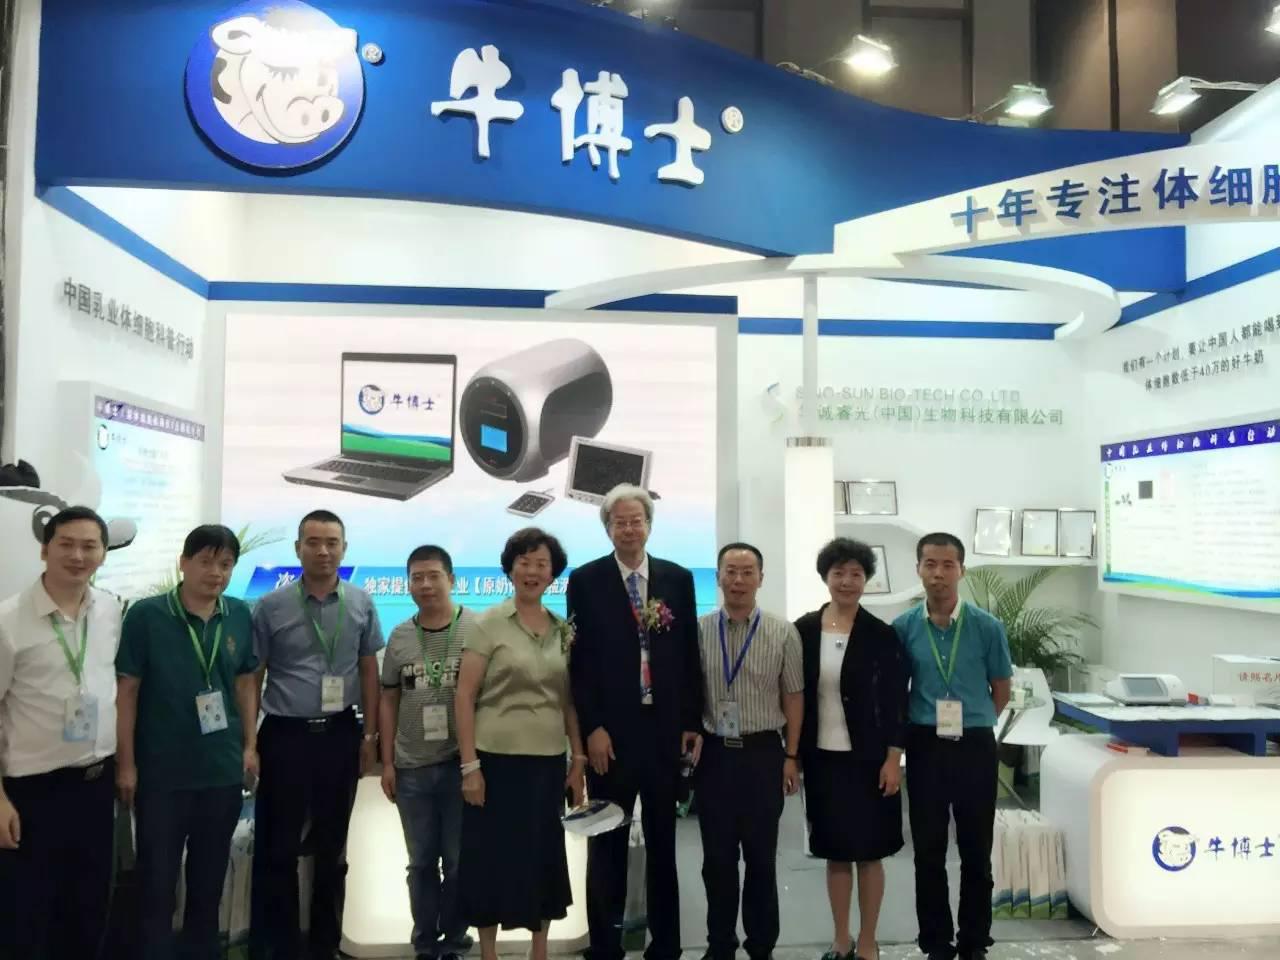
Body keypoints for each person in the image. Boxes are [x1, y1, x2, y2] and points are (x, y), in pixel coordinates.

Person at [566, 484, 702, 960]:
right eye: (619, 522)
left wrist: (691, 720)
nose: (628, 529)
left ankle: (666, 946)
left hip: (663, 732)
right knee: (607, 842)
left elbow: (688, 654)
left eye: (636, 520)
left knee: (664, 843)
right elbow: (580, 663)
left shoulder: (677, 579)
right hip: (612, 736)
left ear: (649, 525)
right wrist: (593, 728)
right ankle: (605, 946)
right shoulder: (586, 580)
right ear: (608, 528)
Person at [116, 524, 260, 960]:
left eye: (226, 564)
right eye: (206, 562)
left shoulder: (239, 614)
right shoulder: (146, 615)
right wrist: (126, 764)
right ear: (183, 563)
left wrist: (250, 745)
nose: (216, 573)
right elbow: (127, 691)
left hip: (221, 771)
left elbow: (245, 684)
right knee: (157, 884)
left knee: (208, 883)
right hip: (162, 775)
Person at [250, 509, 385, 960]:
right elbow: (254, 674)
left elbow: (369, 670)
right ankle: (283, 946)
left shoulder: (361, 602)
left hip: (340, 734)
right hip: (285, 736)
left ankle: (325, 944)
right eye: (313, 542)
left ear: (344, 549)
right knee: (279, 848)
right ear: (298, 549)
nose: (323, 551)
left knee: (332, 848)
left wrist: (370, 736)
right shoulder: (271, 606)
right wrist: (249, 741)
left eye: (332, 542)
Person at [454, 528, 585, 960]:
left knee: (542, 857)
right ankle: (488, 951)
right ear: (510, 569)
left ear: (553, 574)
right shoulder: (487, 623)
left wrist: (578, 758)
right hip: (494, 762)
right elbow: (464, 696)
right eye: (524, 562)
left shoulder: (563, 629)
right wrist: (470, 766)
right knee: (488, 859)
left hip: (547, 762)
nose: (532, 571)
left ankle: (539, 948)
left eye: (541, 564)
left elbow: (568, 700)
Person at [0, 507, 123, 960]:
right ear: (44, 550)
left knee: (88, 912)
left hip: (95, 785)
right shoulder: (8, 621)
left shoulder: (110, 610)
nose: (78, 555)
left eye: (89, 546)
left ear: (103, 554)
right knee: (27, 918)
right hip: (32, 793)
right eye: (66, 544)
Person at [894, 533, 1012, 960]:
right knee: (928, 851)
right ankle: (936, 942)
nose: (938, 573)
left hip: (974, 745)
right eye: (930, 564)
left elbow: (1001, 689)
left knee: (976, 850)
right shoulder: (904, 628)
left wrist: (974, 720)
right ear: (918, 569)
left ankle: (974, 941)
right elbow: (898, 690)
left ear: (961, 570)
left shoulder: (986, 627)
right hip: (925, 745)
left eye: (947, 565)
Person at [794, 538, 909, 960]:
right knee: (835, 852)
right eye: (838, 572)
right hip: (822, 759)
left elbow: (897, 702)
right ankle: (841, 939)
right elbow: (793, 694)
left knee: (871, 853)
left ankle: (868, 941)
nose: (847, 581)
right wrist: (792, 754)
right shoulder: (804, 630)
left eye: (856, 574)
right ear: (825, 577)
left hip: (870, 760)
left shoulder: (882, 634)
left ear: (866, 580)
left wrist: (893, 758)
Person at [694, 543, 802, 960]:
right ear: (718, 577)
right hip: (715, 756)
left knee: (760, 859)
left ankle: (761, 947)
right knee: (716, 860)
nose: (738, 580)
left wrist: (791, 756)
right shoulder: (699, 630)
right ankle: (719, 945)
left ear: (760, 578)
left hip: (763, 754)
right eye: (730, 571)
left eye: (747, 572)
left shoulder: (782, 632)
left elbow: (793, 696)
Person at [379, 545, 476, 960]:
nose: (425, 584)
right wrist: (387, 761)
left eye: (433, 575)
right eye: (416, 577)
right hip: (412, 767)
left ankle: (454, 939)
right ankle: (424, 941)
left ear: (451, 580)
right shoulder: (400, 636)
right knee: (420, 862)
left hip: (461, 766)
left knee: (457, 861)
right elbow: (388, 699)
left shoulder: (476, 628)